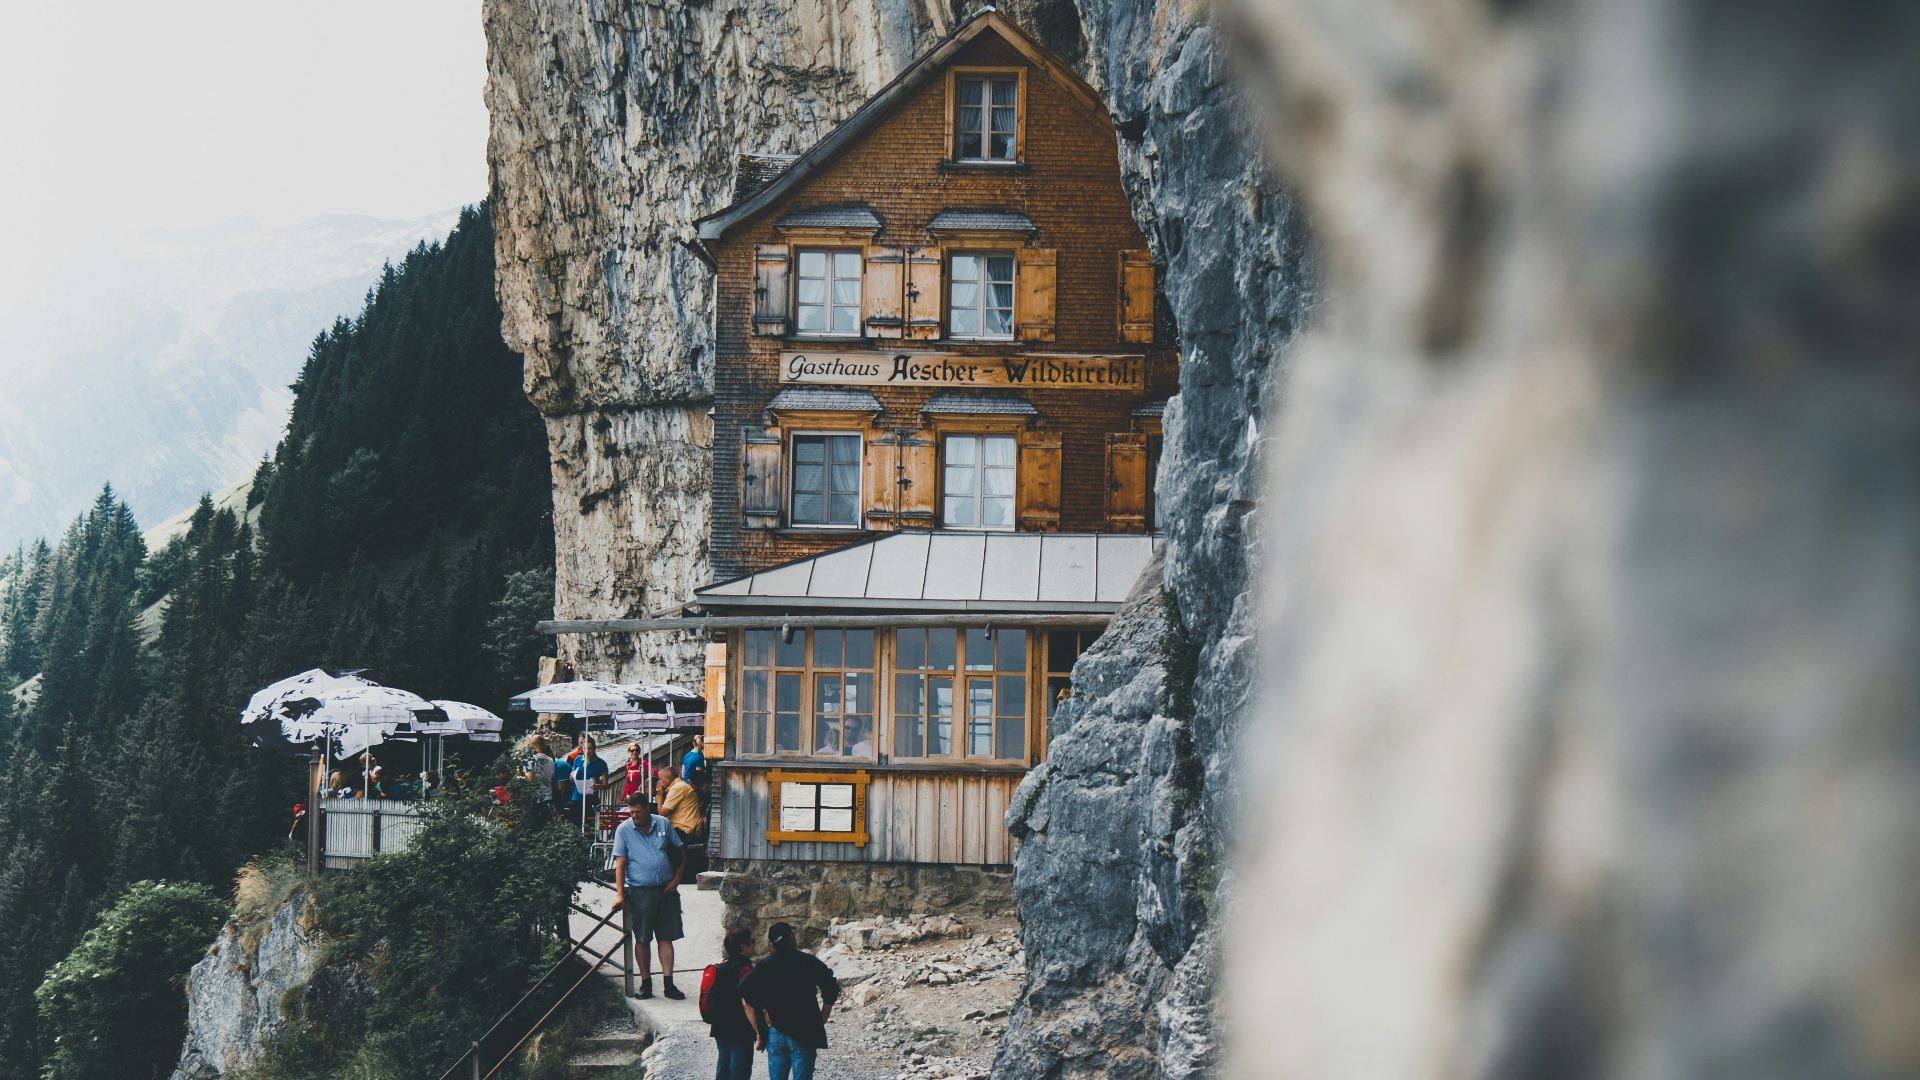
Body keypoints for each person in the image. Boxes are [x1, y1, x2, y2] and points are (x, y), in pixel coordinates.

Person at [740, 922, 839, 1080]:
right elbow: (830, 983)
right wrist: (826, 1010)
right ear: (791, 938)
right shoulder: (807, 961)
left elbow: (745, 989)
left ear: (772, 944)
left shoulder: (764, 965)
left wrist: (764, 1010)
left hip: (776, 1031)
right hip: (805, 1029)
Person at [611, 790, 685, 1000]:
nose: (635, 816)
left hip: (666, 888)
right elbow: (620, 864)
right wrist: (619, 894)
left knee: (666, 936)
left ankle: (669, 983)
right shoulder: (624, 830)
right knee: (642, 937)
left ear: (648, 809)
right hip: (641, 890)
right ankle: (646, 983)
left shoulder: (662, 823)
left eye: (639, 812)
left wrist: (676, 879)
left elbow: (681, 853)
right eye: (632, 812)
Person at [709, 929, 757, 1080]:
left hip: (720, 1026)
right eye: (752, 941)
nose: (755, 944)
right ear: (743, 946)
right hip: (741, 1028)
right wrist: (759, 1030)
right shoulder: (747, 970)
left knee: (723, 1066)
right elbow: (749, 1003)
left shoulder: (719, 969)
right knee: (739, 1070)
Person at [658, 764, 706, 877]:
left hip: (684, 830)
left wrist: (659, 796)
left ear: (668, 779)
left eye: (660, 779)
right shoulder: (679, 786)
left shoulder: (677, 788)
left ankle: (664, 872)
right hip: (684, 828)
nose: (659, 782)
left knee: (657, 839)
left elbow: (662, 813)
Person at [567, 736, 612, 826]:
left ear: (595, 748)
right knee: (576, 826)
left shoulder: (601, 763)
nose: (587, 751)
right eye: (585, 748)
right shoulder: (577, 759)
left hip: (591, 798)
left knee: (592, 828)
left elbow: (606, 784)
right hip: (577, 798)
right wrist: (571, 777)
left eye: (590, 748)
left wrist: (599, 786)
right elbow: (573, 776)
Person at [522, 735, 557, 817]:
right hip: (548, 797)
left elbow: (530, 779)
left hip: (536, 800)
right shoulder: (551, 760)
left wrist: (520, 775)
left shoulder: (531, 760)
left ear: (532, 746)